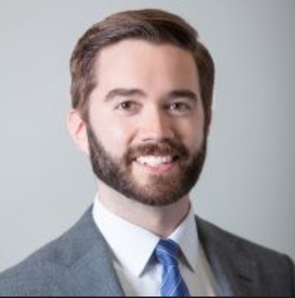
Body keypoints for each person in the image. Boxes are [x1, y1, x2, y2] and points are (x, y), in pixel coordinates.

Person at [0, 8, 294, 297]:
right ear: (81, 130)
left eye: (178, 105)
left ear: (206, 122)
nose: (158, 130)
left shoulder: (278, 275)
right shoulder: (17, 290)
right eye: (127, 105)